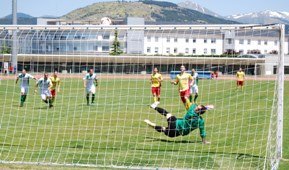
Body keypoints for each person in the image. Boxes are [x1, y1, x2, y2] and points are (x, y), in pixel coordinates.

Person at [144, 103, 213, 144]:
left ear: (198, 111)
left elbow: (194, 104)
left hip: (176, 123)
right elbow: (202, 132)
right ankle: (150, 123)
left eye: (197, 108)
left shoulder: (191, 111)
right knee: (163, 129)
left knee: (167, 114)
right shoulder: (201, 121)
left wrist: (206, 107)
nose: (196, 108)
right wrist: (204, 141)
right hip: (176, 133)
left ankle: (154, 107)